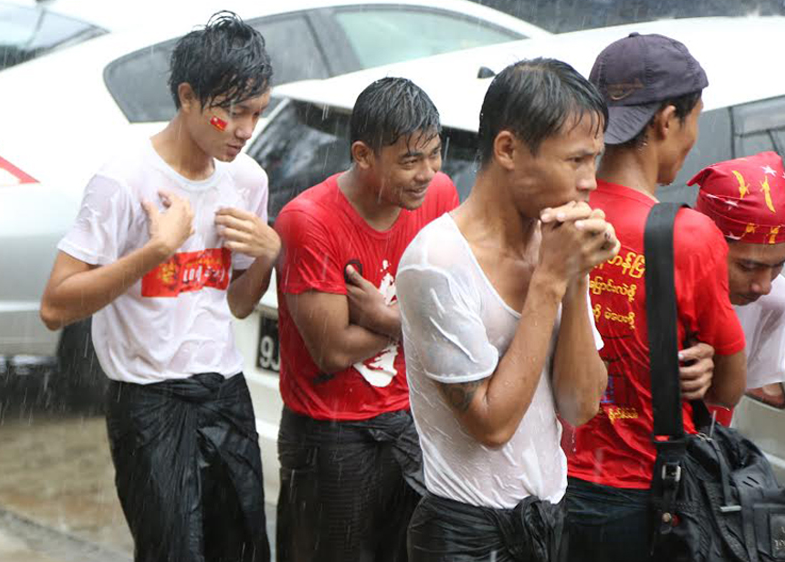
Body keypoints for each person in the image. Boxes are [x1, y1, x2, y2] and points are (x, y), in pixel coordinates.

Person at [38, 12, 276, 562]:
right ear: (188, 98)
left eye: (257, 114)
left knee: (243, 548)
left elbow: (239, 305)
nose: (244, 130)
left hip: (224, 389)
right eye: (232, 113)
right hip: (148, 399)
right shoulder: (123, 180)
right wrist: (154, 252)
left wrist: (268, 254)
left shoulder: (248, 180)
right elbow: (55, 306)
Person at [396, 57, 615, 562]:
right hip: (467, 532)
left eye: (595, 160)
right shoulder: (437, 262)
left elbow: (580, 407)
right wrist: (549, 283)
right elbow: (492, 426)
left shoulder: (554, 245)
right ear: (509, 149)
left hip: (548, 514)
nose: (590, 182)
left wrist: (575, 276)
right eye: (575, 161)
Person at [564, 32, 748, 561]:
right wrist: (708, 366)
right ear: (668, 120)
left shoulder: (555, 211)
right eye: (696, 120)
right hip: (647, 497)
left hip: (548, 481)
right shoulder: (686, 236)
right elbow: (729, 390)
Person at [272, 76, 458, 562]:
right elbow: (331, 351)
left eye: (434, 154)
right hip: (331, 436)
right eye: (409, 160)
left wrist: (383, 315)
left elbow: (460, 309)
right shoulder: (309, 221)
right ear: (362, 155)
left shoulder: (439, 196)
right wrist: (419, 320)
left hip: (411, 420)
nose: (427, 173)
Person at [689, 151, 785, 424]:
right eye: (748, 267)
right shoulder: (648, 277)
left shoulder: (777, 299)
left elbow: (728, 397)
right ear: (702, 242)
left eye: (778, 265)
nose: (763, 286)